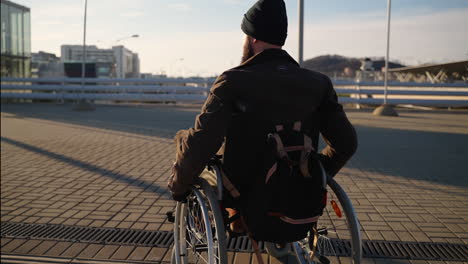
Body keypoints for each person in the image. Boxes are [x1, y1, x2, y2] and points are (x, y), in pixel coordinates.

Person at [168, 0, 357, 212]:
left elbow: (202, 142)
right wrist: (315, 172)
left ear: (253, 37)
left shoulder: (232, 81)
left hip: (240, 193)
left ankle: (230, 220)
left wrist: (178, 188)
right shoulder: (319, 83)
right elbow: (346, 143)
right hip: (298, 187)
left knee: (185, 140)